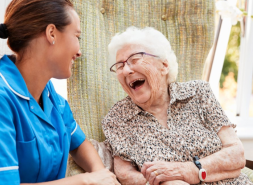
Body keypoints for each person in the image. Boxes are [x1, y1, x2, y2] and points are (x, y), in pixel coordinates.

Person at [0, 0, 120, 185]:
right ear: (51, 33)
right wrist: (87, 180)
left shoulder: (51, 97)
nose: (79, 51)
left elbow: (78, 144)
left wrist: (101, 173)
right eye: (77, 36)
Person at [102, 26, 252, 185]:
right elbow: (125, 175)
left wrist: (188, 171)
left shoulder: (198, 92)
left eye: (135, 59)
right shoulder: (117, 119)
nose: (126, 70)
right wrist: (166, 183)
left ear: (164, 66)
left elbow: (236, 154)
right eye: (119, 65)